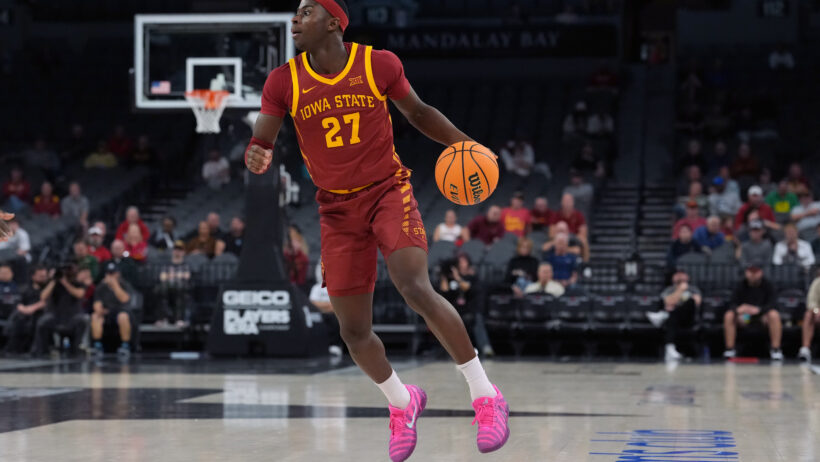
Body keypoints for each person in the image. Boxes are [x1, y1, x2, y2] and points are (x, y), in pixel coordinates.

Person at [245, 2, 508, 458]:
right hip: (336, 210)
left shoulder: (377, 63)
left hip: (387, 191)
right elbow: (262, 138)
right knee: (353, 332)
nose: (294, 20)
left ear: (333, 23)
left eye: (305, 12)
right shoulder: (282, 80)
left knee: (414, 285)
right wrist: (257, 152)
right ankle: (402, 404)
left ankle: (486, 395)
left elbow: (420, 113)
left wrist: (466, 144)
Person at [438, 254, 494, 358]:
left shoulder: (472, 277)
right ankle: (451, 350)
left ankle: (485, 347)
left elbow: (468, 288)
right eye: (459, 261)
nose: (461, 263)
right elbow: (444, 293)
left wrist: (458, 278)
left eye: (464, 261)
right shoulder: (451, 279)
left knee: (477, 319)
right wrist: (444, 276)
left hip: (471, 309)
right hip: (456, 310)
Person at [723, 263, 782, 361]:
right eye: (750, 272)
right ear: (746, 273)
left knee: (774, 315)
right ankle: (730, 349)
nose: (753, 275)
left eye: (755, 272)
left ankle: (776, 349)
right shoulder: (740, 285)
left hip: (761, 317)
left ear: (761, 272)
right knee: (729, 315)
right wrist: (739, 310)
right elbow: (731, 303)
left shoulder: (768, 285)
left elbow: (773, 304)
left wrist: (759, 310)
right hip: (746, 318)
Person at [31, 264, 87, 357]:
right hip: (55, 316)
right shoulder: (52, 283)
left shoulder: (77, 283)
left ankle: (75, 349)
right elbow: (43, 297)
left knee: (82, 320)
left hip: (73, 315)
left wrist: (65, 282)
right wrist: (54, 280)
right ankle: (42, 350)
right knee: (43, 322)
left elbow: (79, 294)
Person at [647, 270, 701, 361]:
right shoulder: (668, 290)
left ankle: (663, 315)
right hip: (674, 319)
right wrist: (680, 290)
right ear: (673, 278)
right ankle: (670, 348)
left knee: (689, 302)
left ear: (687, 277)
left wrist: (675, 302)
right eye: (677, 274)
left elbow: (697, 303)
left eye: (682, 274)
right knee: (672, 316)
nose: (679, 277)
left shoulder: (693, 289)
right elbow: (667, 302)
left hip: (689, 318)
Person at [91, 261, 134, 358]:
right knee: (95, 316)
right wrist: (100, 311)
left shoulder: (124, 285)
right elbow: (97, 305)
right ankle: (97, 345)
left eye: (113, 273)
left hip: (121, 311)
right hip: (107, 312)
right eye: (109, 273)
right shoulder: (101, 287)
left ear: (118, 274)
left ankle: (125, 345)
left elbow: (124, 299)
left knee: (123, 316)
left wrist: (115, 285)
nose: (111, 276)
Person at [3, 265, 48, 355]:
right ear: (33, 276)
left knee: (37, 319)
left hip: (41, 313)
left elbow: (45, 302)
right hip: (25, 313)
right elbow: (19, 303)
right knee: (18, 317)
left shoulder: (47, 288)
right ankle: (13, 348)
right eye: (40, 276)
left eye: (44, 276)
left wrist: (32, 308)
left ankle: (34, 349)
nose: (43, 278)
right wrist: (24, 309)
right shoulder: (25, 288)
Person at [309, 261, 343, 357]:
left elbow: (337, 305)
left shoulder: (337, 287)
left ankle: (334, 345)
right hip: (320, 314)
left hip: (334, 314)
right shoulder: (316, 288)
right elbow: (312, 304)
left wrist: (323, 306)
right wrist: (328, 306)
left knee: (335, 318)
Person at [156, 241, 191, 327]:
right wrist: (178, 275)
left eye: (180, 250)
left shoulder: (185, 264)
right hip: (167, 288)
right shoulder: (167, 264)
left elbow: (187, 276)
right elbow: (162, 277)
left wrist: (171, 275)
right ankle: (163, 319)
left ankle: (179, 319)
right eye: (176, 249)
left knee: (179, 289)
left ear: (183, 252)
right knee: (162, 290)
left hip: (181, 288)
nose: (177, 252)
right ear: (173, 251)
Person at [799, 269, 820, 362]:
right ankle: (805, 349)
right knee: (808, 315)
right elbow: (811, 303)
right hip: (818, 315)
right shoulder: (817, 282)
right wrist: (816, 311)